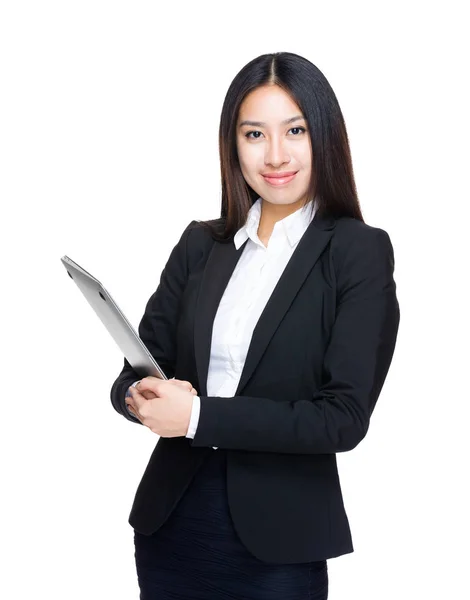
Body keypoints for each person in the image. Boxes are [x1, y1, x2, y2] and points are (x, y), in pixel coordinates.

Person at [110, 51, 400, 600]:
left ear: (325, 137)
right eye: (253, 134)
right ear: (232, 145)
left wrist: (196, 416)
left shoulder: (358, 252)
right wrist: (138, 396)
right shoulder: (202, 244)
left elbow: (342, 418)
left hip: (279, 543)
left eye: (295, 130)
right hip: (171, 524)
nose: (275, 155)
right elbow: (134, 371)